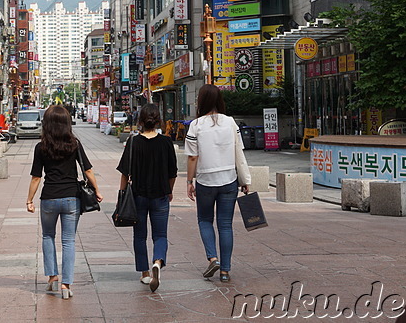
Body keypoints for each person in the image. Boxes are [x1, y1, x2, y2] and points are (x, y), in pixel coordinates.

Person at [26, 105, 103, 299]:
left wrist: (29, 200)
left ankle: (52, 278)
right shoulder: (74, 144)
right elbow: (88, 170)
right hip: (71, 198)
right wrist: (97, 190)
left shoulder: (41, 147)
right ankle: (66, 285)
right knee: (68, 241)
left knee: (48, 237)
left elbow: (36, 177)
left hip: (49, 198)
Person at [185, 84, 251, 283]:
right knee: (225, 225)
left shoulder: (196, 125)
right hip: (229, 180)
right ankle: (225, 271)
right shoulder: (230, 123)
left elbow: (192, 158)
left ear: (201, 102)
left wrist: (189, 181)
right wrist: (245, 179)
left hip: (205, 180)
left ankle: (213, 258)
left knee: (205, 220)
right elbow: (239, 152)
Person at [116, 103, 177, 292]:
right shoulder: (166, 142)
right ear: (158, 120)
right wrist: (169, 190)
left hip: (138, 196)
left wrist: (122, 194)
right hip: (160, 195)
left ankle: (144, 273)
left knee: (139, 235)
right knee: (160, 235)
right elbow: (172, 172)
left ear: (140, 120)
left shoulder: (134, 142)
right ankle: (157, 261)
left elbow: (125, 173)